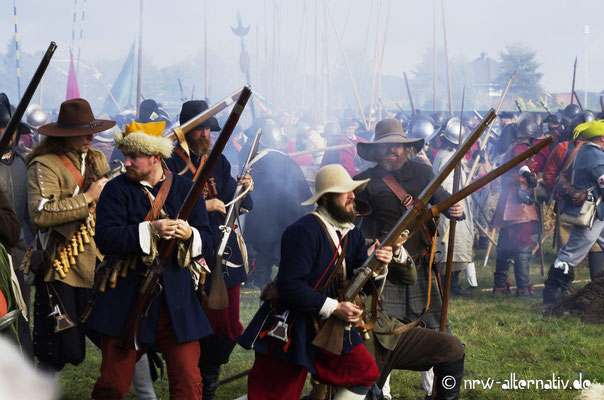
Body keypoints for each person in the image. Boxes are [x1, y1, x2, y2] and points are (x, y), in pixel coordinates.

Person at [239, 164, 394, 400]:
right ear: (326, 198)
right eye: (345, 191)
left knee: (363, 373)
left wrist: (379, 264)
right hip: (294, 323)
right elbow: (291, 286)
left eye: (352, 190)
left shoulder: (352, 234)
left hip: (332, 324)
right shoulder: (303, 231)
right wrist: (334, 307)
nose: (353, 195)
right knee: (274, 394)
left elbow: (358, 275)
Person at [88, 120, 214, 399]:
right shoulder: (115, 189)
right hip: (127, 296)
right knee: (113, 384)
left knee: (188, 381)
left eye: (134, 156)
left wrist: (189, 232)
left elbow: (208, 238)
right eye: (125, 155)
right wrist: (150, 230)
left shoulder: (184, 188)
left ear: (155, 157)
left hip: (176, 299)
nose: (127, 162)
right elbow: (107, 238)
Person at [353, 118, 464, 397]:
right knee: (384, 332)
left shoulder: (424, 172)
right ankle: (383, 393)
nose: (392, 151)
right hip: (385, 266)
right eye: (386, 146)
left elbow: (445, 200)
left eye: (397, 146)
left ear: (406, 149)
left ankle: (434, 391)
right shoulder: (362, 182)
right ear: (377, 151)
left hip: (422, 264)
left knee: (434, 328)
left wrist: (454, 208)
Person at [165, 99, 254, 400]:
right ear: (187, 130)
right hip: (184, 251)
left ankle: (209, 385)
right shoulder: (168, 162)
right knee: (188, 323)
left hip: (222, 251)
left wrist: (244, 188)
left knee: (225, 325)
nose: (207, 135)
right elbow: (161, 208)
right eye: (201, 129)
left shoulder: (218, 160)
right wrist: (203, 205)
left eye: (209, 130)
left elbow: (232, 202)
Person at [26, 98, 112, 372]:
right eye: (83, 132)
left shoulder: (97, 159)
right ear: (66, 134)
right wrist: (87, 197)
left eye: (91, 131)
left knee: (119, 334)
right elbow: (41, 214)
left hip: (98, 259)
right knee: (58, 349)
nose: (91, 137)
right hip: (62, 268)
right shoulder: (44, 164)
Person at [543, 120, 604, 304]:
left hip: (598, 213)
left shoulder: (587, 151)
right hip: (592, 214)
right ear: (602, 137)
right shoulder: (595, 156)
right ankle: (552, 292)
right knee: (572, 252)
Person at [491, 119, 540, 296]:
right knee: (522, 244)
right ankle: (523, 288)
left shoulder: (514, 145)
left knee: (505, 244)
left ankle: (499, 286)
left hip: (510, 201)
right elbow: (522, 164)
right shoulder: (521, 147)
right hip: (517, 202)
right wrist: (527, 173)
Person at [432, 119, 477, 296]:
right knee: (451, 245)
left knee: (458, 245)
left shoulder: (450, 155)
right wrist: (455, 207)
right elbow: (447, 186)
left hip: (456, 203)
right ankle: (447, 286)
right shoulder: (446, 158)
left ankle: (454, 285)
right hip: (451, 206)